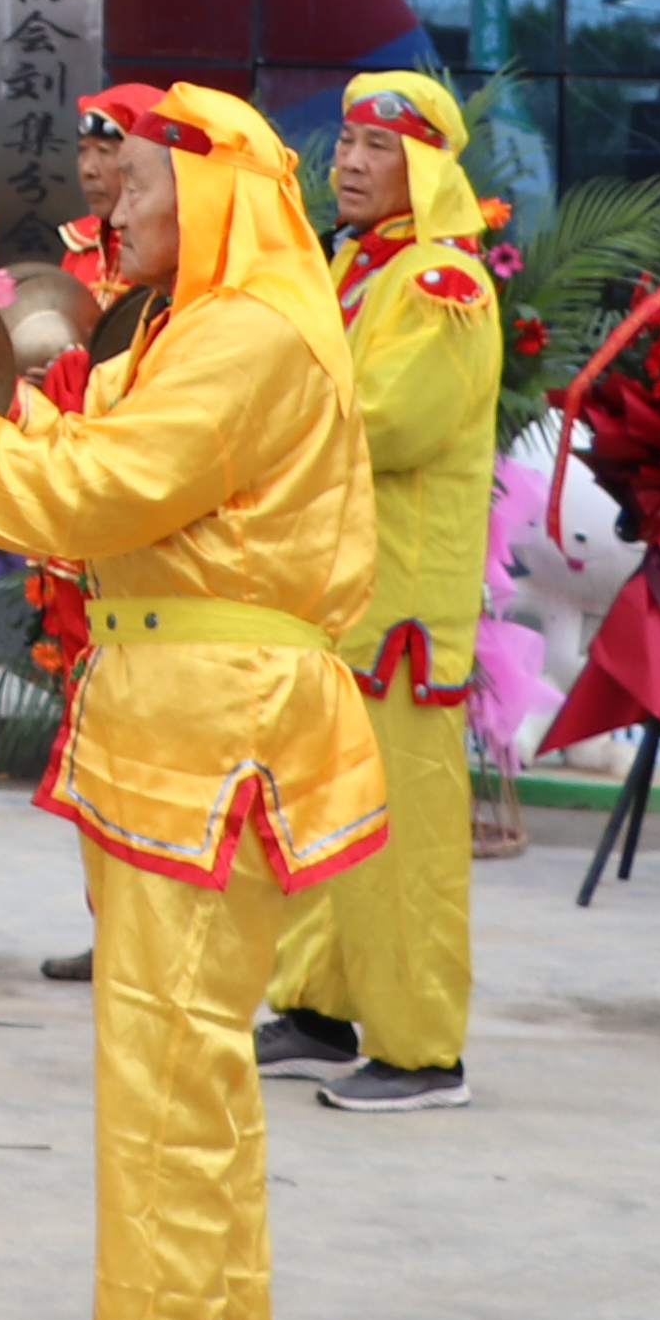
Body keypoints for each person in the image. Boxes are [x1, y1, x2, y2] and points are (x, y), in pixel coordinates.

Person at [0, 79, 387, 1320]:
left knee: (163, 1043)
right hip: (193, 704)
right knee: (197, 1041)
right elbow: (99, 458)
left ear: (211, 194)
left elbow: (99, 492)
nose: (118, 205)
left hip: (206, 712)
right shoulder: (218, 325)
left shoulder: (240, 337)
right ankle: (214, 1309)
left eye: (143, 187)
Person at [256, 72, 506, 1112]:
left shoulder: (443, 283)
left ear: (430, 167)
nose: (348, 163)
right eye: (345, 143)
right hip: (339, 590)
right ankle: (318, 1007)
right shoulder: (356, 262)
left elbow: (397, 421)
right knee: (330, 813)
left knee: (403, 835)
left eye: (377, 148)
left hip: (399, 598)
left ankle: (420, 1051)